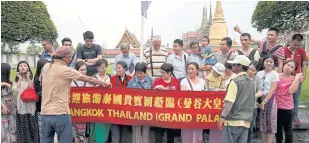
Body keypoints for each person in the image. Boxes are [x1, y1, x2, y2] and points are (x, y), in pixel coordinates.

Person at [40, 46, 111, 143]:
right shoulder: (66, 69)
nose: (70, 59)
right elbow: (87, 78)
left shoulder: (46, 67)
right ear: (64, 57)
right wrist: (104, 83)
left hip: (45, 113)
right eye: (70, 57)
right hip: (61, 114)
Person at [218, 55, 255, 143]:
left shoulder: (235, 81)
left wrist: (222, 117)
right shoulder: (251, 81)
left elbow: (229, 102)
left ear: (240, 66)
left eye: (234, 64)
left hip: (233, 120)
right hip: (246, 120)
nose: (232, 66)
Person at [275, 60, 303, 143]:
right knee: (277, 128)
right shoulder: (276, 76)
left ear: (294, 70)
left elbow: (291, 91)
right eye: (288, 65)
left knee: (288, 129)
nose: (288, 68)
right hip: (275, 106)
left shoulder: (295, 79)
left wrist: (297, 78)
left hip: (286, 107)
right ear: (283, 65)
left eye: (292, 67)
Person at [152, 63, 180, 143]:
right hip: (159, 112)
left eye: (163, 73)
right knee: (158, 134)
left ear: (169, 73)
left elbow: (180, 95)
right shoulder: (158, 81)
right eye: (161, 72)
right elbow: (151, 96)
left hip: (171, 112)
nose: (162, 74)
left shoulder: (176, 81)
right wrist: (156, 88)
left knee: (170, 134)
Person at [283, 34, 307, 125]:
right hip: (285, 78)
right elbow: (280, 63)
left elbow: (304, 65)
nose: (296, 47)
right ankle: (284, 116)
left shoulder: (301, 51)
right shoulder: (284, 50)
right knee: (284, 96)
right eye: (294, 44)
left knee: (295, 98)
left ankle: (294, 116)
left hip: (297, 78)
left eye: (298, 45)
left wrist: (303, 76)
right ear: (291, 41)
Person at [127, 62, 154, 143]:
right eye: (137, 73)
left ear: (145, 72)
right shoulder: (131, 82)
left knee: (146, 130)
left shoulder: (149, 80)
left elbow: (154, 93)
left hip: (147, 109)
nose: (139, 75)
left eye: (141, 73)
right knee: (136, 130)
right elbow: (127, 96)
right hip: (135, 110)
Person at [13, 61, 38, 143]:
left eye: (25, 66)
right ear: (18, 68)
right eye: (20, 66)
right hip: (22, 105)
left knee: (32, 126)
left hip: (31, 106)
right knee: (24, 126)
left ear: (28, 68)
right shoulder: (16, 80)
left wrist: (28, 78)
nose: (22, 67)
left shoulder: (32, 78)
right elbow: (16, 91)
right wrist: (20, 79)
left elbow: (32, 89)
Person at [256, 54, 279, 143]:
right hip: (259, 98)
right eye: (267, 61)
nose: (269, 63)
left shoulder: (275, 74)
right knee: (261, 122)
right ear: (263, 62)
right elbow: (257, 87)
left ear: (274, 63)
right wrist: (258, 100)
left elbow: (272, 89)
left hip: (269, 99)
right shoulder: (259, 73)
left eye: (271, 62)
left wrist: (265, 101)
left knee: (270, 122)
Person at [180, 62, 205, 143]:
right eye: (188, 69)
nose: (190, 71)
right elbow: (181, 95)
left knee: (198, 131)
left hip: (199, 111)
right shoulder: (184, 81)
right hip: (187, 110)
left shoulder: (203, 81)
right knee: (187, 132)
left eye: (192, 69)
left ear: (197, 70)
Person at [110, 60, 133, 143]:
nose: (118, 70)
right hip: (115, 110)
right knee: (115, 135)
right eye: (116, 68)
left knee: (124, 134)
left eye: (119, 68)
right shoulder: (112, 79)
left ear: (125, 69)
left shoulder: (130, 79)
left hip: (126, 111)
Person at [89, 59, 111, 143]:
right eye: (99, 68)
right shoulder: (93, 78)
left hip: (106, 106)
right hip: (95, 106)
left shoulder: (110, 77)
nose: (101, 70)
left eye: (103, 68)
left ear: (106, 67)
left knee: (105, 126)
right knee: (95, 126)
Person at [71, 61, 91, 143]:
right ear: (77, 70)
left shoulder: (90, 81)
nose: (83, 71)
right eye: (81, 70)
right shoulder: (71, 82)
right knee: (76, 134)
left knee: (86, 134)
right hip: (75, 112)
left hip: (86, 112)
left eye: (85, 69)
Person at [247, 61, 263, 143]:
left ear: (256, 71)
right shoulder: (242, 77)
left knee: (250, 129)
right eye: (249, 69)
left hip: (252, 107)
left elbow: (260, 92)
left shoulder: (258, 80)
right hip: (240, 107)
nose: (250, 71)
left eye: (253, 70)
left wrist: (252, 96)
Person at [33, 58, 49, 143]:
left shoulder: (51, 76)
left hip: (50, 107)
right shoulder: (37, 79)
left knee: (49, 128)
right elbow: (39, 92)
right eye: (44, 67)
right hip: (41, 106)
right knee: (42, 127)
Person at [1, 63, 17, 143]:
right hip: (4, 109)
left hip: (11, 108)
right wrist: (2, 106)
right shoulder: (3, 83)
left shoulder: (8, 81)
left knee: (12, 127)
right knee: (4, 127)